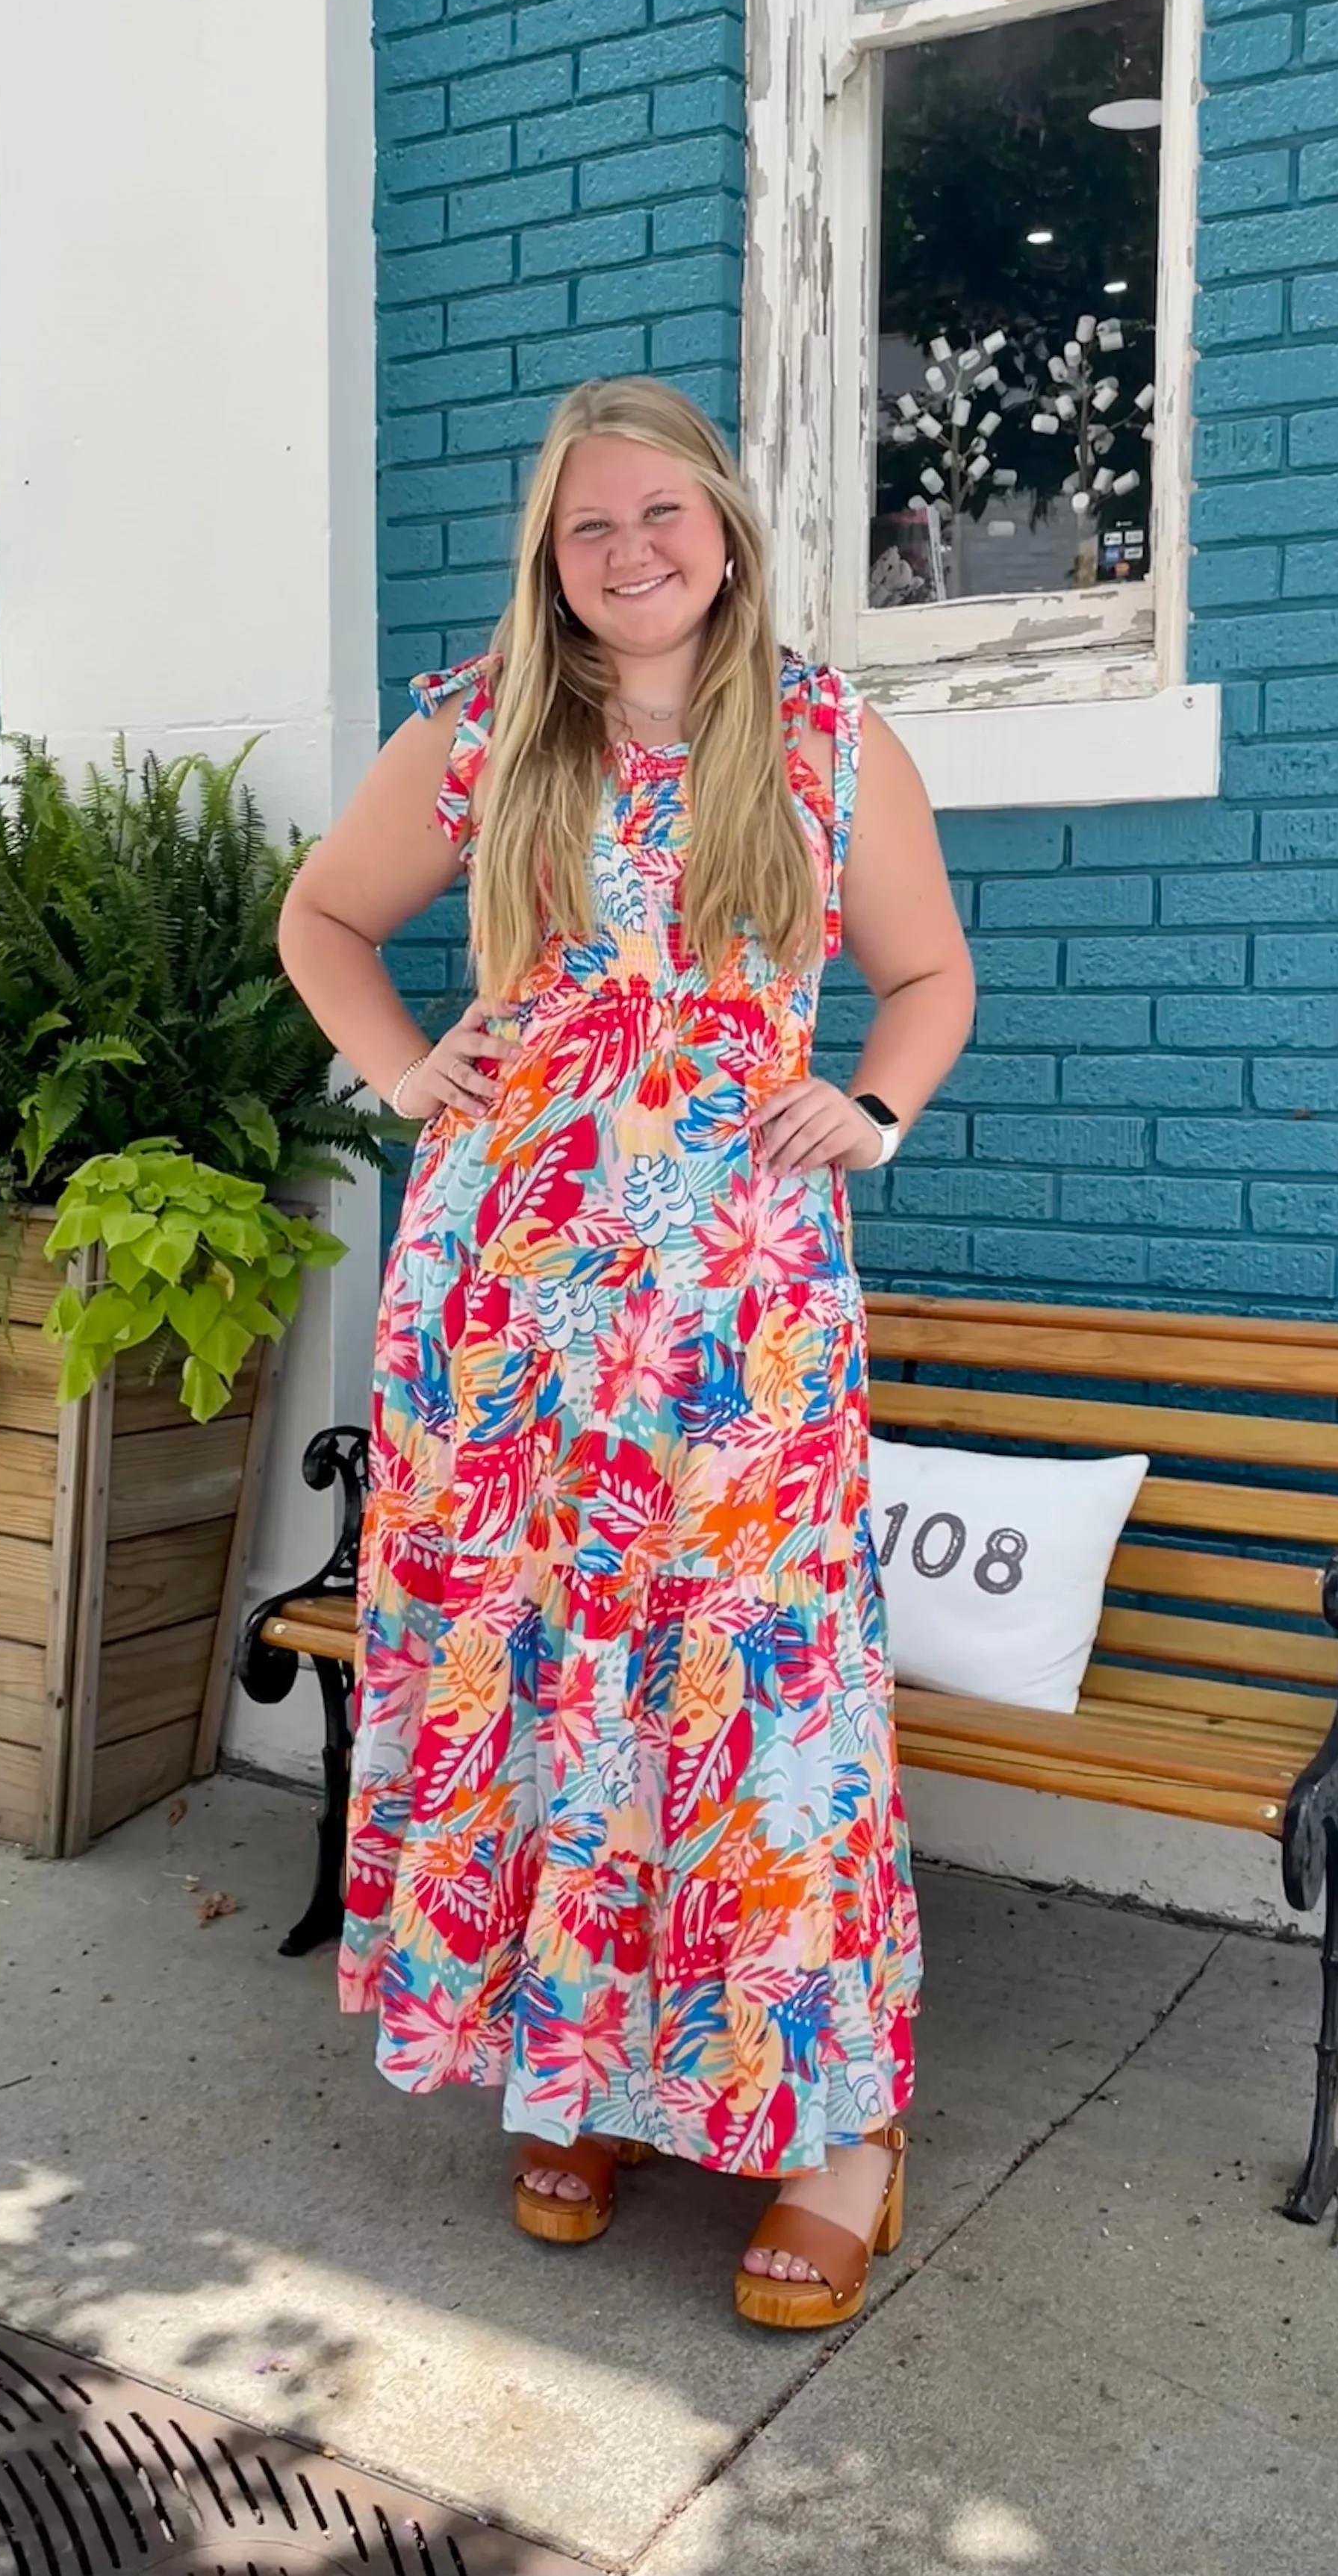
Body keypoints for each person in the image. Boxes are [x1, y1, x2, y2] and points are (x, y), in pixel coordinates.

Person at [279, 375, 975, 2328]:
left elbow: (927, 974)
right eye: (593, 529)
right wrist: (411, 1067)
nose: (633, 552)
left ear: (726, 530)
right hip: (502, 1320)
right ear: (554, 559)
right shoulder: (484, 727)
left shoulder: (827, 736)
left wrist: (881, 1106)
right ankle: (581, 2075)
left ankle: (835, 2131)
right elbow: (322, 917)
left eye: (664, 515)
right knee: (549, 1690)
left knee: (754, 1705)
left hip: (737, 1324)